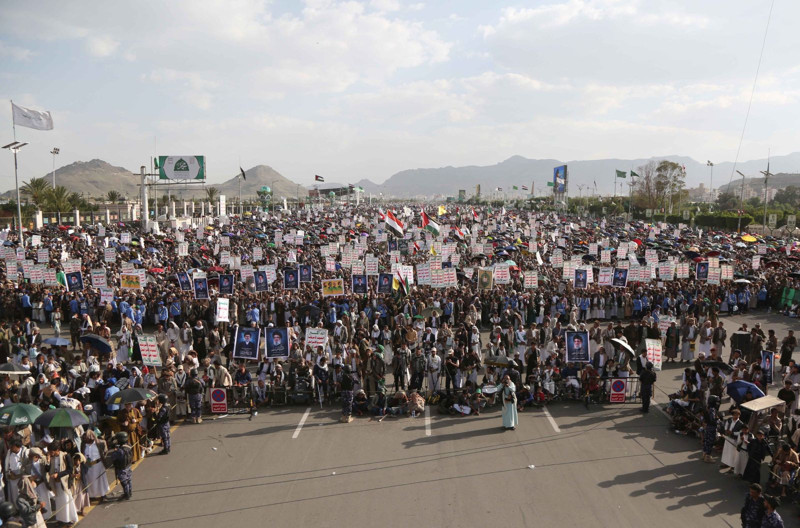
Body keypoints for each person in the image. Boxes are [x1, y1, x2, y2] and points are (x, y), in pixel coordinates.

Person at [48, 440, 78, 526]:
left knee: (66, 500)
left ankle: (69, 519)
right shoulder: (52, 458)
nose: (51, 453)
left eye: (52, 451)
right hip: (56, 483)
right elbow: (48, 469)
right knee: (59, 501)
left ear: (57, 450)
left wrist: (58, 474)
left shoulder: (66, 456)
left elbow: (69, 470)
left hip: (64, 483)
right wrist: (47, 461)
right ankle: (61, 519)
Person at [81, 429, 110, 501]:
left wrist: (104, 462)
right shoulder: (83, 444)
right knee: (90, 481)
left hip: (98, 465)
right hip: (88, 466)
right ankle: (91, 496)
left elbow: (105, 452)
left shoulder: (100, 443)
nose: (87, 440)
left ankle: (103, 495)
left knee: (101, 481)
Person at [105, 432, 133, 500]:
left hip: (121, 468)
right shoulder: (128, 445)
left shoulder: (119, 451)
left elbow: (113, 457)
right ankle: (130, 492)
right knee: (129, 479)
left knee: (124, 482)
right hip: (128, 466)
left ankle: (127, 494)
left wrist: (114, 450)